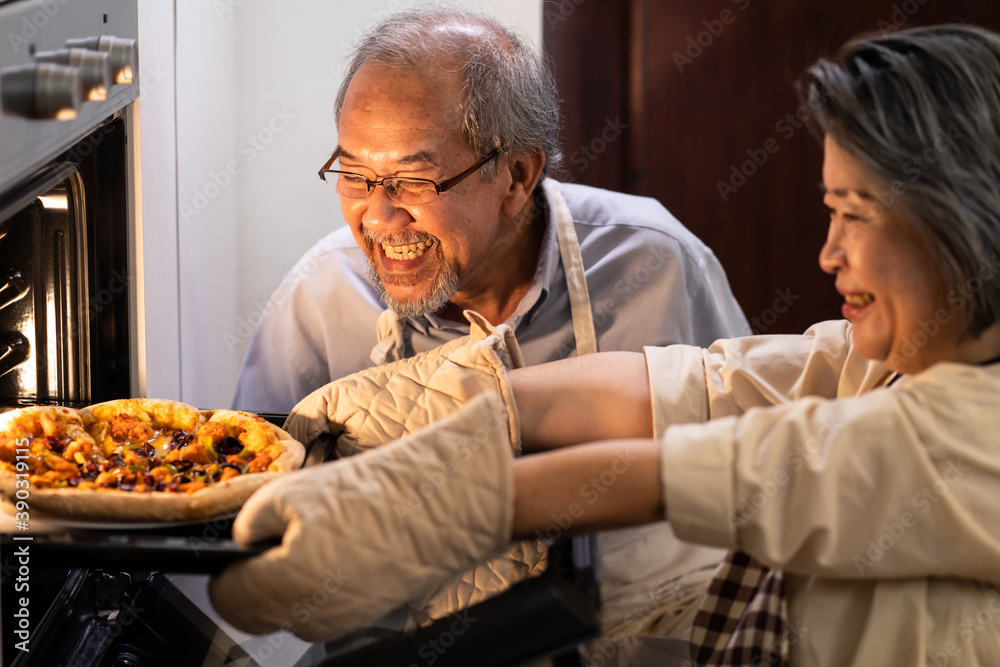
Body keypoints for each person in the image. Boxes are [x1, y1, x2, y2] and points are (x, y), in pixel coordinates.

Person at [212, 23, 1000, 665]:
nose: (828, 253)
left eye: (856, 214)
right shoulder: (885, 358)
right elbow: (700, 386)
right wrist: (458, 407)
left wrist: (444, 504)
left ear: (962, 218)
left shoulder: (979, 430)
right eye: (828, 210)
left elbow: (725, 469)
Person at [230, 6, 749, 649]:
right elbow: (243, 510)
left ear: (517, 175)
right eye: (355, 174)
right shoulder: (320, 296)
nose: (378, 215)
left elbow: (745, 486)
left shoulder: (656, 264)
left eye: (415, 179)